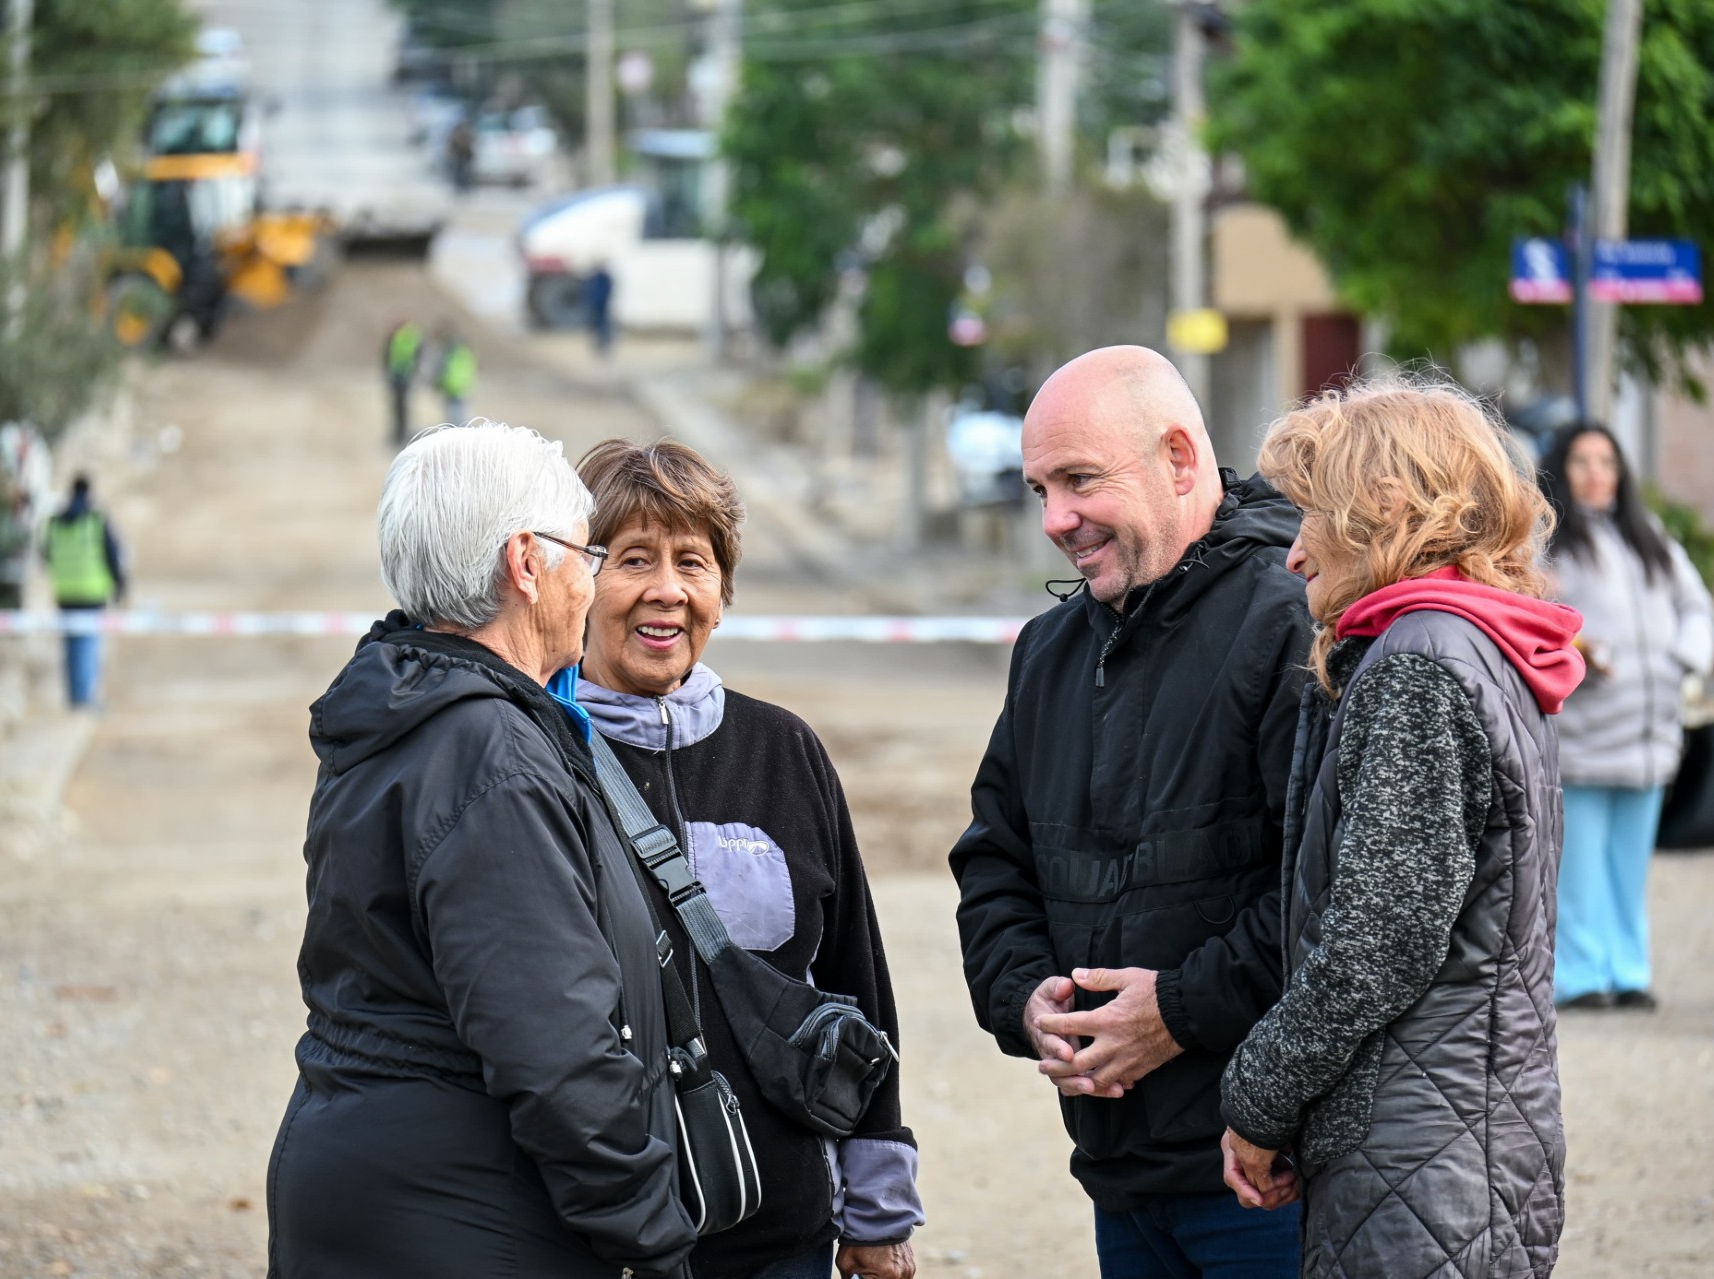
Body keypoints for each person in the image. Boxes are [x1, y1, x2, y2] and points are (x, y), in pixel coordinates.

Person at [266, 422, 696, 1278]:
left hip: (384, 1184)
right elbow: (556, 1052)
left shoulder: (404, 708)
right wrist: (653, 1235)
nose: (592, 580)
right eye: (587, 552)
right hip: (465, 1216)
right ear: (526, 563)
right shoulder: (490, 757)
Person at [949, 345, 1313, 1278]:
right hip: (1120, 1182)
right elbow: (994, 862)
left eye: (1079, 480)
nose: (1054, 520)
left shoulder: (1292, 622)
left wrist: (1176, 1013)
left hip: (1269, 1181)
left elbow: (1331, 896)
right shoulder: (1048, 652)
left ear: (1179, 459)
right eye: (1040, 490)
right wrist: (1024, 997)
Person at [1217, 378, 1577, 1279]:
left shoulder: (1419, 665)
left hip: (1422, 1158)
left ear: (1381, 507)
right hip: (1463, 1133)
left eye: (1311, 515)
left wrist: (1257, 1098)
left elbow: (1379, 940)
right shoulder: (1480, 646)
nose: (1294, 552)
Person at [574, 439, 922, 1279]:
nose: (667, 588)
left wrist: (877, 1205)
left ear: (722, 593)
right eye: (633, 558)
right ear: (577, 580)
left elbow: (856, 976)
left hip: (780, 1232)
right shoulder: (539, 755)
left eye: (692, 561)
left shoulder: (785, 750)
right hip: (597, 1235)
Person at [1536, 424, 1714, 1012]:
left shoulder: (1649, 537)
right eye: (1582, 460)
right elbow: (1536, 616)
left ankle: (1628, 969)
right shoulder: (1547, 543)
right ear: (1561, 468)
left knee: (1629, 869)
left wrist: (1680, 660)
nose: (1596, 472)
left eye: (1606, 461)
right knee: (1579, 871)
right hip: (1585, 736)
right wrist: (1584, 655)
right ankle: (1581, 976)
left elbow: (1695, 605)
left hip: (1649, 737)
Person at [43, 474, 127, 708]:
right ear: (89, 492)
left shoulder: (55, 521)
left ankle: (74, 695)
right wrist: (120, 584)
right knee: (87, 645)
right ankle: (85, 698)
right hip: (91, 593)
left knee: (71, 645)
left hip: (64, 592)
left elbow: (46, 555)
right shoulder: (95, 520)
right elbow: (112, 555)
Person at [384, 319, 425, 444]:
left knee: (398, 406)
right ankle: (405, 432)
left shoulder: (395, 337)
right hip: (408, 375)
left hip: (397, 375)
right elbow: (419, 355)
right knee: (405, 406)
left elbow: (387, 356)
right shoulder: (414, 336)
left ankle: (399, 433)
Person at [435, 327, 476, 425]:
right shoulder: (466, 353)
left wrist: (439, 383)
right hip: (460, 387)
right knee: (459, 414)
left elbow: (444, 370)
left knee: (454, 415)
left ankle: (456, 430)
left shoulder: (450, 354)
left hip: (453, 386)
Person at [586, 264, 615, 358]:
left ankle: (604, 341)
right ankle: (599, 342)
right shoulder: (596, 278)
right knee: (597, 323)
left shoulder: (604, 278)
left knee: (603, 323)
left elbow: (608, 290)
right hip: (596, 305)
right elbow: (589, 291)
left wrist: (604, 300)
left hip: (602, 304)